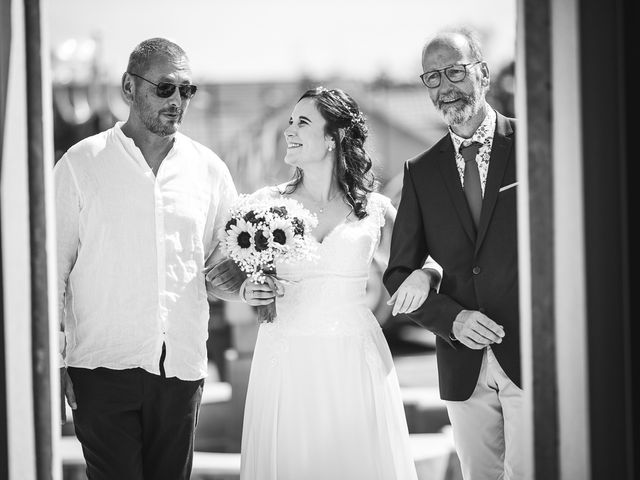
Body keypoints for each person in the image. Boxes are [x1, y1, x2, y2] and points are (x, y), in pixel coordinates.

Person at [54, 37, 244, 480]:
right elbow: (51, 271)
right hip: (99, 368)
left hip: (180, 368)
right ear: (128, 88)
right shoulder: (80, 165)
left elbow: (229, 260)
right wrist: (55, 359)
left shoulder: (209, 170)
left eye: (186, 90)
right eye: (165, 88)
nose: (177, 100)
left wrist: (249, 278)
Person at [233, 87, 441, 480]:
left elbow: (423, 261)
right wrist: (248, 290)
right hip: (286, 360)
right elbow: (231, 274)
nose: (289, 130)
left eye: (303, 122)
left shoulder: (373, 209)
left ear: (333, 137)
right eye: (290, 121)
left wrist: (425, 275)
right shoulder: (264, 205)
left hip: (354, 359)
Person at [383, 27, 524, 480]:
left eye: (455, 72)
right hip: (462, 362)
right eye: (432, 78)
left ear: (481, 73)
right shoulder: (420, 172)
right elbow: (398, 272)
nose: (445, 87)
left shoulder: (533, 144)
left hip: (531, 354)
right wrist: (451, 318)